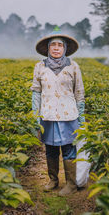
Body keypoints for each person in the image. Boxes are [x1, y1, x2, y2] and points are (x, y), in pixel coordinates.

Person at [30, 27, 85, 196]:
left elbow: (79, 93)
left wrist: (81, 117)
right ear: (47, 48)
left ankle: (71, 184)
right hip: (47, 115)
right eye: (52, 45)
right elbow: (36, 92)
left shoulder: (73, 67)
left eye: (59, 45)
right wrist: (35, 115)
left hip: (69, 115)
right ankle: (53, 180)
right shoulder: (39, 66)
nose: (55, 48)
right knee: (51, 149)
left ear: (65, 48)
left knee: (69, 148)